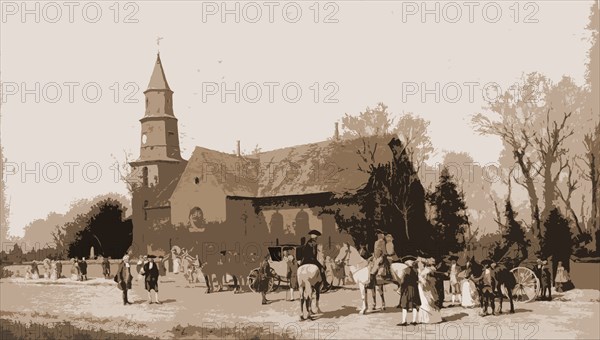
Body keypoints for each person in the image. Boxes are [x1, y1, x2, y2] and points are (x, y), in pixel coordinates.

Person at [417, 258, 442, 324]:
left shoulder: (428, 270)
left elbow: (427, 278)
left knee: (428, 301)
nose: (419, 265)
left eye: (420, 263)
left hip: (427, 287)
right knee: (425, 301)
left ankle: (431, 318)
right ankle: (426, 318)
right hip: (423, 287)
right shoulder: (423, 270)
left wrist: (422, 279)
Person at [397, 257, 421, 326]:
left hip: (406, 289)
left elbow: (402, 281)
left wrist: (400, 288)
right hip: (414, 289)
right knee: (414, 304)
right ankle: (414, 321)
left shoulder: (405, 270)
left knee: (404, 305)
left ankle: (404, 321)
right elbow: (417, 280)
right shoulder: (416, 270)